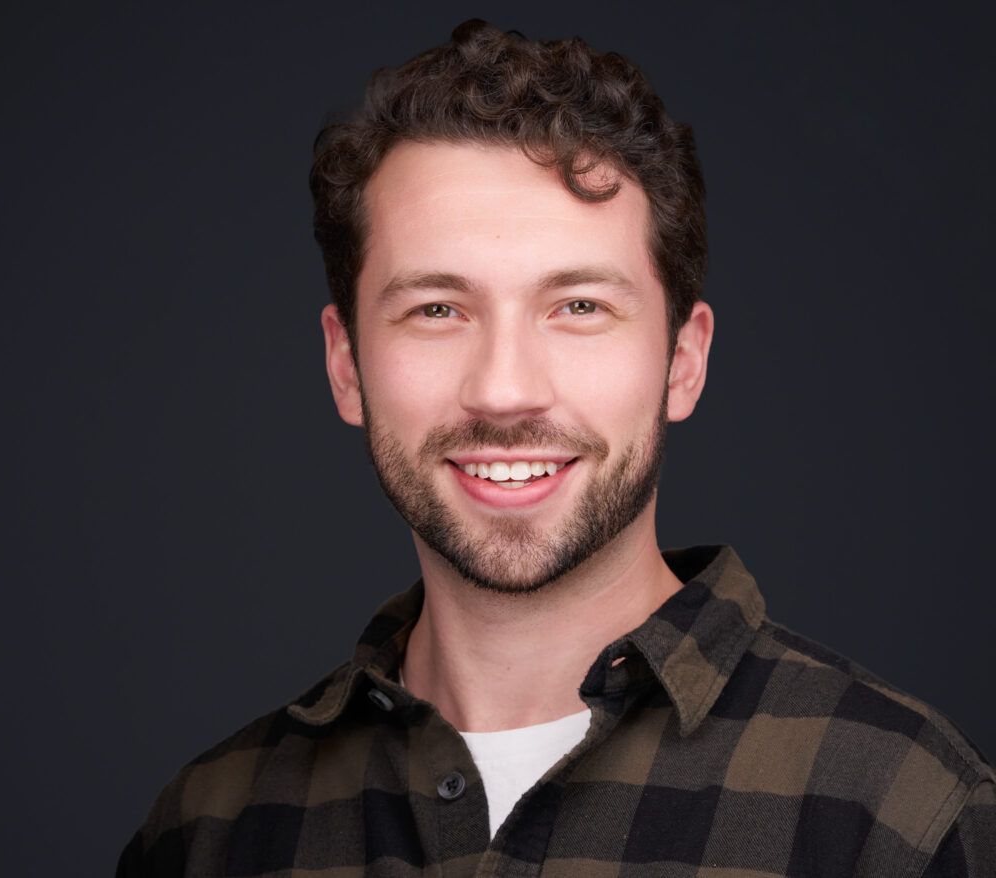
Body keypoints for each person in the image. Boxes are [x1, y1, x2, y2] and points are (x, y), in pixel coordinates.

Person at [117, 20, 995, 876]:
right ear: (346, 366)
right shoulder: (210, 832)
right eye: (436, 309)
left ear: (682, 362)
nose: (505, 390)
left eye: (578, 307)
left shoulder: (902, 817)